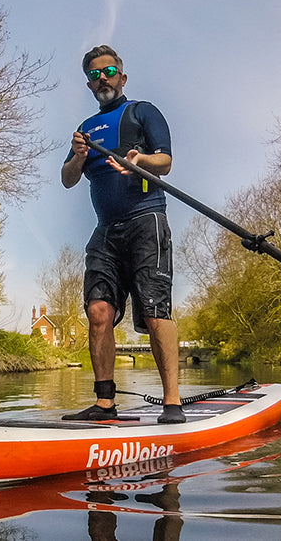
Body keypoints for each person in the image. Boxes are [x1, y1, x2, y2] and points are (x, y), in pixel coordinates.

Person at [61, 45, 184, 424]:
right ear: (89, 84)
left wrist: (140, 160)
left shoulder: (142, 112)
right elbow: (67, 180)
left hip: (146, 222)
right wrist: (78, 157)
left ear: (122, 77)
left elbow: (164, 161)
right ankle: (104, 404)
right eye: (95, 75)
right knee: (98, 310)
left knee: (154, 310)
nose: (103, 79)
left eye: (109, 71)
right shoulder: (84, 131)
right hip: (105, 232)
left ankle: (173, 403)